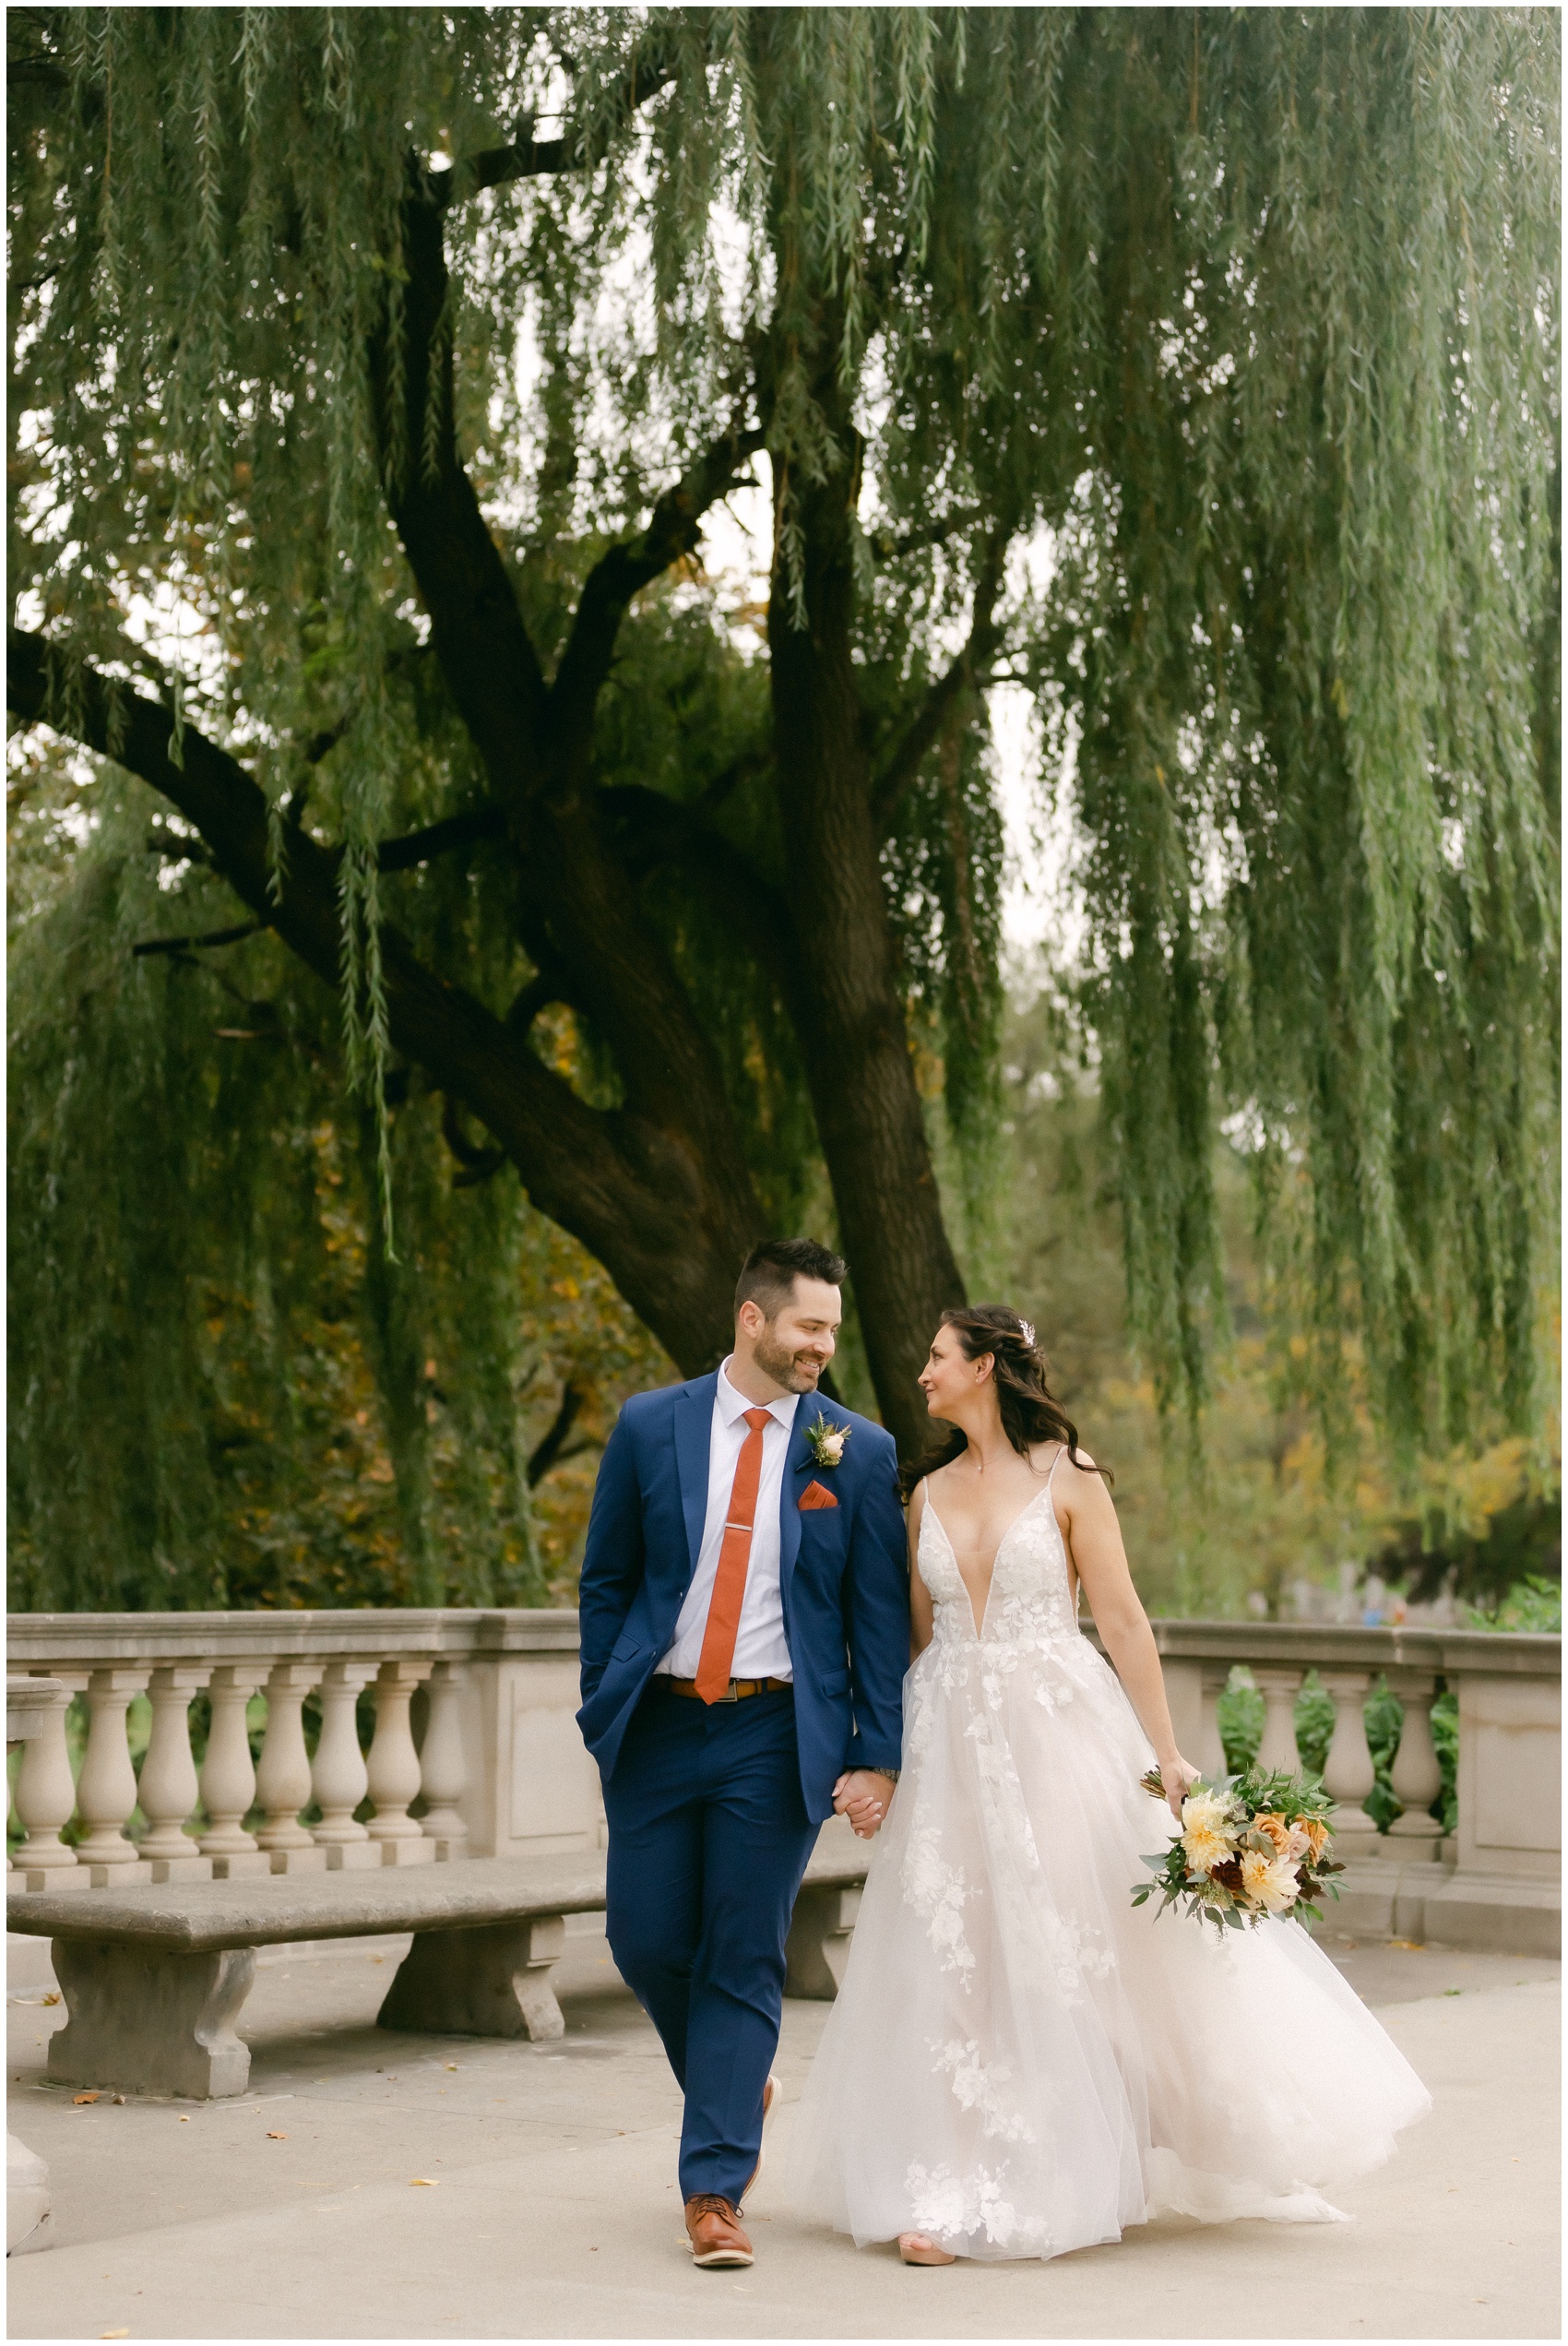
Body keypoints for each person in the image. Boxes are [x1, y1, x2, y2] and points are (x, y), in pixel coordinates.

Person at [786, 1304, 1431, 2265]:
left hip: (1055, 1730)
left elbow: (1124, 1624)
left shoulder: (1068, 1478)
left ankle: (1090, 2152)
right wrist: (890, 1754)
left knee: (1065, 1946)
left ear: (985, 1367)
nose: (921, 1373)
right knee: (956, 1953)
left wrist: (1165, 1754)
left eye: (936, 1357)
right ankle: (954, 2177)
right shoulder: (920, 1492)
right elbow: (911, 1638)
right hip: (951, 1735)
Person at [576, 1237, 909, 2271]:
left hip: (774, 1732)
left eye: (832, 1331)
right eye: (808, 1326)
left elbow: (875, 1617)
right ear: (752, 1319)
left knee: (740, 1950)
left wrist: (875, 1753)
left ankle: (712, 2188)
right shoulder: (648, 1424)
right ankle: (738, 2079)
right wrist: (604, 1694)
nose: (822, 1346)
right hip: (659, 1724)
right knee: (639, 1936)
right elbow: (605, 1577)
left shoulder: (854, 1449)